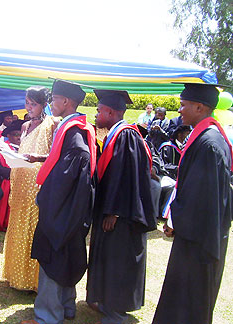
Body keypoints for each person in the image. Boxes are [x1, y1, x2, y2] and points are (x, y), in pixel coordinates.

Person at [153, 83, 232, 324]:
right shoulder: (206, 138)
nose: (179, 110)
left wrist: (175, 220)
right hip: (197, 236)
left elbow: (201, 198)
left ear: (199, 107)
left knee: (190, 301)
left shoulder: (209, 145)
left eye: (183, 105)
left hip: (199, 241)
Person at [21, 80, 97, 324]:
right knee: (67, 256)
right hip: (73, 210)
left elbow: (65, 178)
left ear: (66, 101)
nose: (51, 103)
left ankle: (46, 317)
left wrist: (47, 201)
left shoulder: (73, 135)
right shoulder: (78, 129)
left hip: (61, 210)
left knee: (53, 259)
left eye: (54, 99)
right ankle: (66, 307)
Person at [86, 89, 156, 324]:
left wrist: (113, 211)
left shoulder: (126, 136)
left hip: (122, 214)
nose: (96, 116)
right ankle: (105, 302)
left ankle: (115, 311)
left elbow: (125, 177)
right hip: (116, 211)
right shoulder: (118, 134)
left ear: (111, 111)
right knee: (109, 257)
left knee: (118, 260)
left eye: (98, 112)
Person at [3, 86, 59, 292]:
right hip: (19, 180)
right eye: (26, 103)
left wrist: (38, 158)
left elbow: (57, 154)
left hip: (37, 183)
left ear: (44, 104)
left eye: (33, 104)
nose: (28, 107)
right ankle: (15, 275)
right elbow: (23, 151)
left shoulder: (53, 124)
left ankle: (31, 280)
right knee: (18, 224)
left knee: (32, 226)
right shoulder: (25, 125)